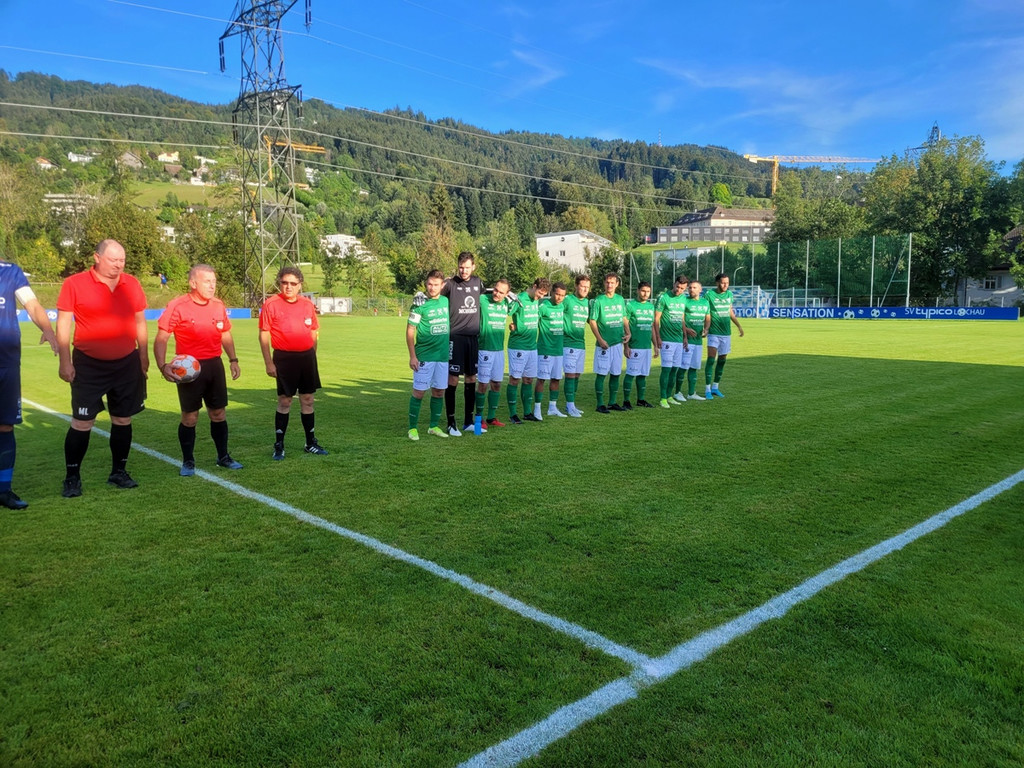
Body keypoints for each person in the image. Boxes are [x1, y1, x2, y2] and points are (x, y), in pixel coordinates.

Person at [56, 239, 148, 497]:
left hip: (126, 363)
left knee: (122, 419)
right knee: (82, 422)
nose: (119, 265)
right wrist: (65, 360)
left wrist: (143, 356)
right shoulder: (74, 284)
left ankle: (118, 472)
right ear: (96, 257)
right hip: (88, 364)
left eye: (122, 260)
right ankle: (72, 477)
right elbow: (63, 324)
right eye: (113, 259)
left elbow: (140, 321)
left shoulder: (132, 284)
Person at [153, 265, 243, 476]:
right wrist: (162, 365)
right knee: (190, 417)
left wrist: (233, 359)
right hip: (188, 368)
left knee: (218, 413)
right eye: (206, 281)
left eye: (214, 281)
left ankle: (223, 457)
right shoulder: (178, 306)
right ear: (193, 283)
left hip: (214, 365)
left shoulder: (218, 305)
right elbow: (162, 337)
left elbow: (226, 334)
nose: (212, 285)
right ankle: (188, 461)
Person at [0, 259, 58, 509]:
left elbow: (32, 304)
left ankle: (4, 489)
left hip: (7, 360)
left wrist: (48, 329)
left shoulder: (10, 271)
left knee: (5, 426)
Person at [259, 266, 328, 460]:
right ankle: (279, 445)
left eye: (293, 284)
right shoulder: (271, 304)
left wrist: (312, 354)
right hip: (284, 358)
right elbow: (264, 334)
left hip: (306, 358)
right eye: (284, 283)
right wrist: (268, 363)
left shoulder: (306, 305)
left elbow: (314, 330)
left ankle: (310, 443)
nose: (288, 287)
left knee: (308, 400)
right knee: (285, 400)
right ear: (279, 283)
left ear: (300, 285)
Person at [441, 251, 484, 436]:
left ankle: (468, 422)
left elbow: (489, 297)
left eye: (467, 267)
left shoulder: (478, 283)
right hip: (455, 338)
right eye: (461, 267)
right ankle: (451, 423)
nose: (464, 270)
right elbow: (434, 293)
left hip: (473, 339)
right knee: (452, 379)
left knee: (471, 378)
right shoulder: (450, 284)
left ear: (473, 267)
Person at [406, 270, 450, 440]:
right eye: (429, 284)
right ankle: (412, 428)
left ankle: (433, 426)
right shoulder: (419, 304)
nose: (432, 288)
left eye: (436, 284)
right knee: (419, 392)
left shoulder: (446, 301)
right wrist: (412, 356)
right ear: (426, 284)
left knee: (439, 392)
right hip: (424, 356)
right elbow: (410, 331)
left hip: (442, 356)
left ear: (442, 286)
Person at [506, 277, 549, 425]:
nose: (540, 297)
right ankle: (512, 414)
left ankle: (527, 413)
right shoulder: (520, 299)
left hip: (532, 346)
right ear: (534, 286)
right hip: (518, 346)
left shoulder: (537, 301)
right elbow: (507, 311)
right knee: (514, 379)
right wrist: (513, 326)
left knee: (529, 379)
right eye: (539, 293)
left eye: (543, 295)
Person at [588, 272, 629, 414]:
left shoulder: (620, 299)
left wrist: (628, 332)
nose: (609, 285)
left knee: (616, 373)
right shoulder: (598, 300)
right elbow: (592, 321)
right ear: (604, 283)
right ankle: (600, 404)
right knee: (601, 373)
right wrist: (600, 340)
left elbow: (624, 318)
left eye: (612, 282)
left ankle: (612, 402)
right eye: (607, 282)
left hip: (618, 342)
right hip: (604, 344)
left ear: (617, 284)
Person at [475, 278, 511, 429]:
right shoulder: (483, 299)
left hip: (499, 351)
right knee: (483, 385)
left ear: (507, 294)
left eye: (501, 292)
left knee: (496, 384)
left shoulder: (507, 304)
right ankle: (479, 419)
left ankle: (491, 417)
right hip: (484, 349)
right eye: (495, 290)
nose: (496, 294)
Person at [704, 273, 745, 398]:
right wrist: (705, 328)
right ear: (717, 283)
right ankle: (707, 389)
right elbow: (705, 312)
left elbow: (730, 311)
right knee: (711, 360)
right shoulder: (709, 295)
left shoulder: (730, 295)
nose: (725, 285)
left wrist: (738, 325)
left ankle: (716, 387)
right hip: (713, 333)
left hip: (726, 333)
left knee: (722, 360)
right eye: (723, 282)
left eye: (727, 282)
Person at [533, 282, 568, 420]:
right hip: (545, 349)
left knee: (556, 379)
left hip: (559, 350)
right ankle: (537, 408)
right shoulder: (543, 307)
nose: (559, 298)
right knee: (541, 379)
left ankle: (552, 407)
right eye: (557, 294)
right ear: (551, 293)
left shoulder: (563, 306)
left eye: (562, 295)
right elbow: (531, 322)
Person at [654, 275, 689, 409]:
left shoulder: (684, 299)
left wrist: (685, 336)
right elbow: (656, 319)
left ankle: (669, 396)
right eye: (677, 286)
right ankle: (663, 398)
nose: (678, 290)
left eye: (682, 288)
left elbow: (682, 318)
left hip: (679, 339)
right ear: (673, 283)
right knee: (667, 369)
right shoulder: (664, 297)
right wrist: (658, 337)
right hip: (667, 339)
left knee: (675, 369)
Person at [560, 274, 591, 418]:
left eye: (587, 287)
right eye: (582, 286)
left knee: (577, 375)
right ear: (576, 286)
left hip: (581, 343)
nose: (585, 289)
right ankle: (569, 405)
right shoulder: (567, 300)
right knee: (570, 375)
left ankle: (571, 404)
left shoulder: (587, 303)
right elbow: (556, 313)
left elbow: (593, 321)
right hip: (568, 343)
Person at [623, 281, 656, 409]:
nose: (645, 293)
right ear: (637, 291)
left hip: (646, 346)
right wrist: (626, 346)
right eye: (643, 291)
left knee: (643, 374)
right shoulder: (630, 306)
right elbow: (624, 325)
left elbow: (651, 327)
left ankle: (641, 400)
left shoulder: (650, 307)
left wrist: (655, 345)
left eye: (648, 291)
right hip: (634, 346)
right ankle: (626, 401)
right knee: (631, 373)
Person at [682, 279, 711, 400]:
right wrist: (686, 330)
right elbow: (680, 318)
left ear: (700, 290)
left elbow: (708, 318)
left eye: (694, 288)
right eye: (690, 287)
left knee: (694, 367)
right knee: (682, 368)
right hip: (686, 340)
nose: (691, 289)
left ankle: (691, 393)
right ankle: (677, 392)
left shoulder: (705, 302)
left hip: (698, 341)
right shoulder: (684, 301)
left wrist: (706, 329)